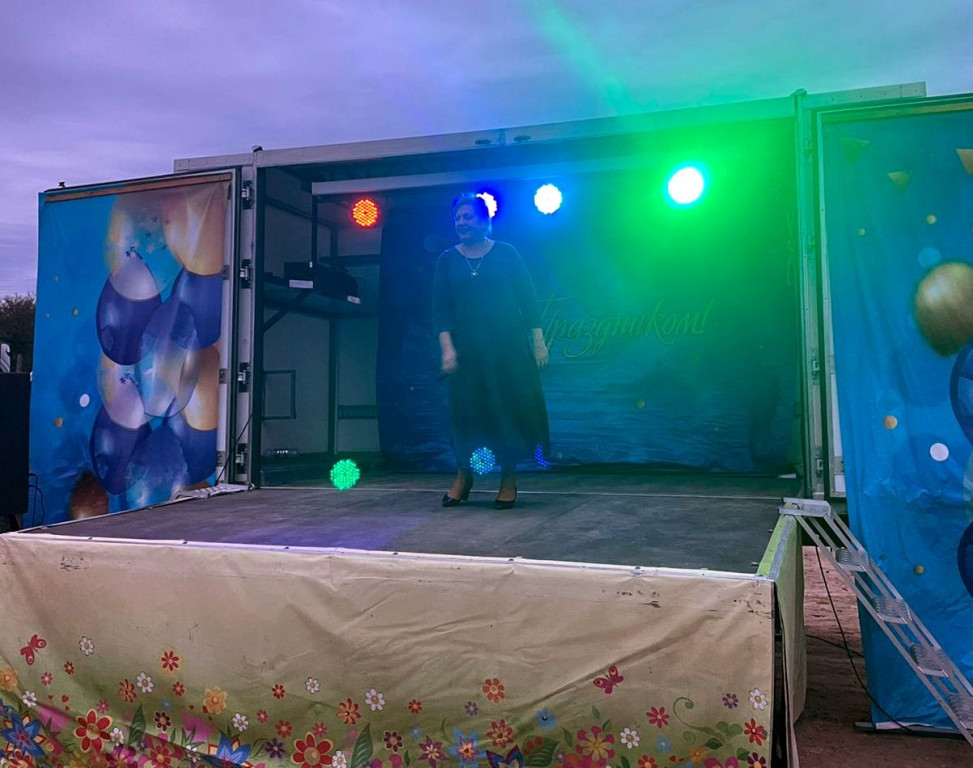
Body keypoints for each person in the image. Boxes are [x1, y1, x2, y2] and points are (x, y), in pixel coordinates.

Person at [432, 193, 550, 509]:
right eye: (457, 218)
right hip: (467, 355)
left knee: (505, 411)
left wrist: (538, 342)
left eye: (467, 217)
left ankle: (508, 478)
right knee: (467, 416)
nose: (461, 222)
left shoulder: (506, 253)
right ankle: (464, 476)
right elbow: (441, 310)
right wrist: (447, 349)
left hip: (507, 351)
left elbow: (528, 299)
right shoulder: (447, 260)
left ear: (484, 221)